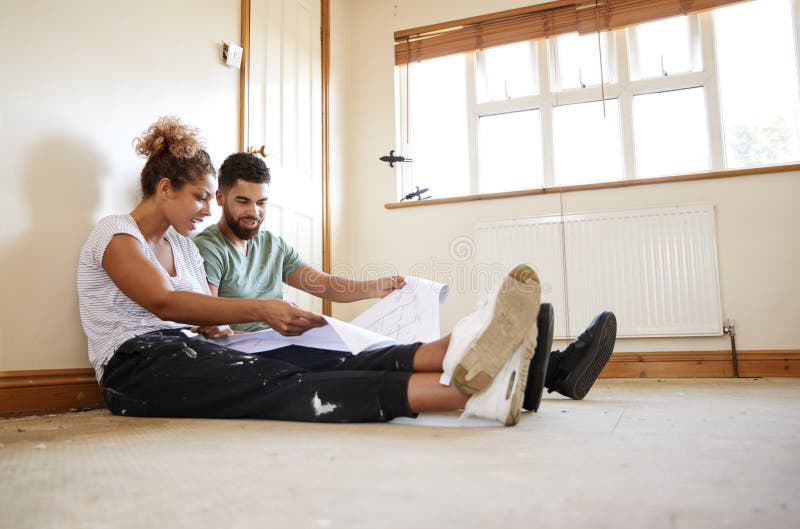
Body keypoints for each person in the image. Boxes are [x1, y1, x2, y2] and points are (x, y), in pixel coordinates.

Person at [76, 116, 613, 427]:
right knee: (288, 381)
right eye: (198, 198)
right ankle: (463, 391)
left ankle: (470, 357)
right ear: (164, 188)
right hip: (137, 369)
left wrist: (229, 325)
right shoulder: (116, 234)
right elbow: (165, 306)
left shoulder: (188, 250)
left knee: (329, 351)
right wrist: (258, 311)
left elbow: (210, 315)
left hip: (204, 350)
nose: (202, 209)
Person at [193, 151, 618, 410]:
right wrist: (231, 328)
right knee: (396, 354)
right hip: (261, 354)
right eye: (243, 201)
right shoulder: (209, 246)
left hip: (298, 341)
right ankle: (550, 369)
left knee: (395, 348)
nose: (254, 212)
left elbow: (322, 284)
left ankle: (548, 370)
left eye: (262, 203)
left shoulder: (271, 244)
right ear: (221, 199)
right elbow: (209, 316)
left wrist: (374, 288)